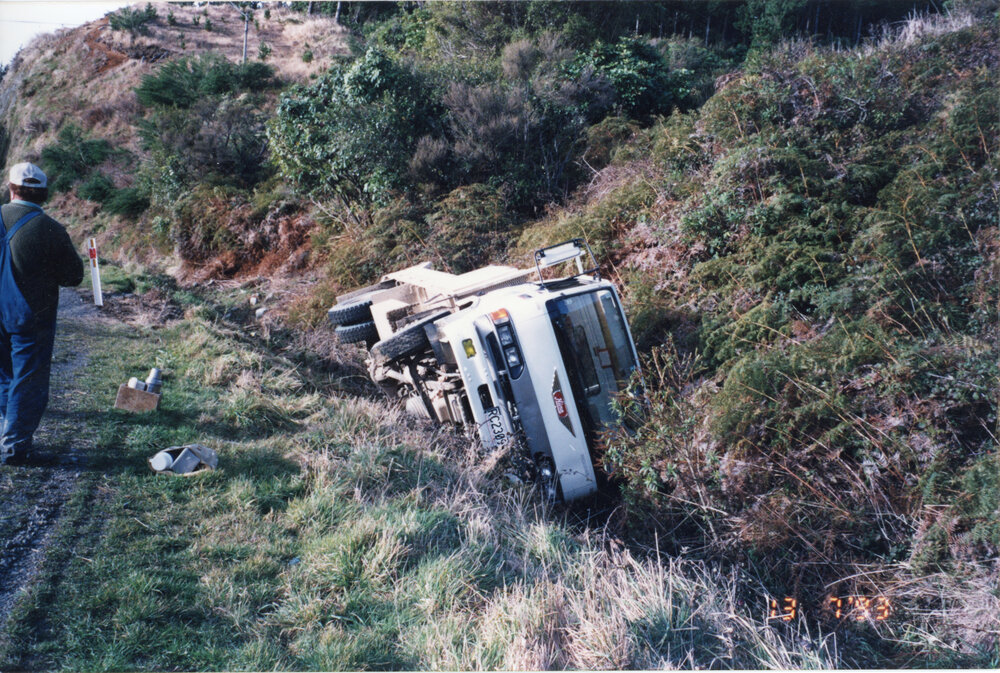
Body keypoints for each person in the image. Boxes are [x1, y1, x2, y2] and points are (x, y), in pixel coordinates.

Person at [0, 162, 84, 465]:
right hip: (30, 316)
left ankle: (9, 431)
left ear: (11, 189)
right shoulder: (50, 229)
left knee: (4, 375)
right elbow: (74, 276)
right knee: (29, 379)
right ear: (44, 195)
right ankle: (15, 444)